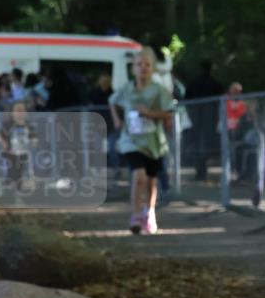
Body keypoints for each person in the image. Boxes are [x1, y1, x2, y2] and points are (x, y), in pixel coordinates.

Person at [109, 47, 174, 234]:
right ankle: (135, 215)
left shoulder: (159, 90)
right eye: (139, 65)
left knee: (151, 181)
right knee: (139, 177)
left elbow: (169, 113)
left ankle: (149, 213)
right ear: (133, 68)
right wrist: (117, 119)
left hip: (153, 143)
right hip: (132, 140)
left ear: (152, 68)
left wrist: (149, 113)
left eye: (147, 65)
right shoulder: (127, 89)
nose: (143, 68)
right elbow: (112, 101)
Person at [186, 59, 224, 181]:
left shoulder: (193, 84)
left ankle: (200, 171)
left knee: (198, 145)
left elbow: (187, 100)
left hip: (197, 120)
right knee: (204, 145)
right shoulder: (215, 84)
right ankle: (201, 171)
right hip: (209, 121)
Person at [0, 101, 38, 192]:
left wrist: (34, 141)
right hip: (11, 152)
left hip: (24, 152)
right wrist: (4, 144)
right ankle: (11, 184)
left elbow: (33, 136)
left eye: (22, 110)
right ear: (12, 112)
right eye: (17, 110)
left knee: (21, 170)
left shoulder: (28, 124)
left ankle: (18, 186)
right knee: (13, 169)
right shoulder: (8, 123)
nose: (20, 112)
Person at [88, 73, 120, 174]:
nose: (104, 83)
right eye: (102, 81)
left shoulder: (113, 94)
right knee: (97, 148)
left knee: (112, 148)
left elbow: (115, 110)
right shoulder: (94, 93)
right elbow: (92, 108)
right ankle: (98, 170)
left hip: (110, 126)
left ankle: (116, 169)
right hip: (97, 125)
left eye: (106, 81)